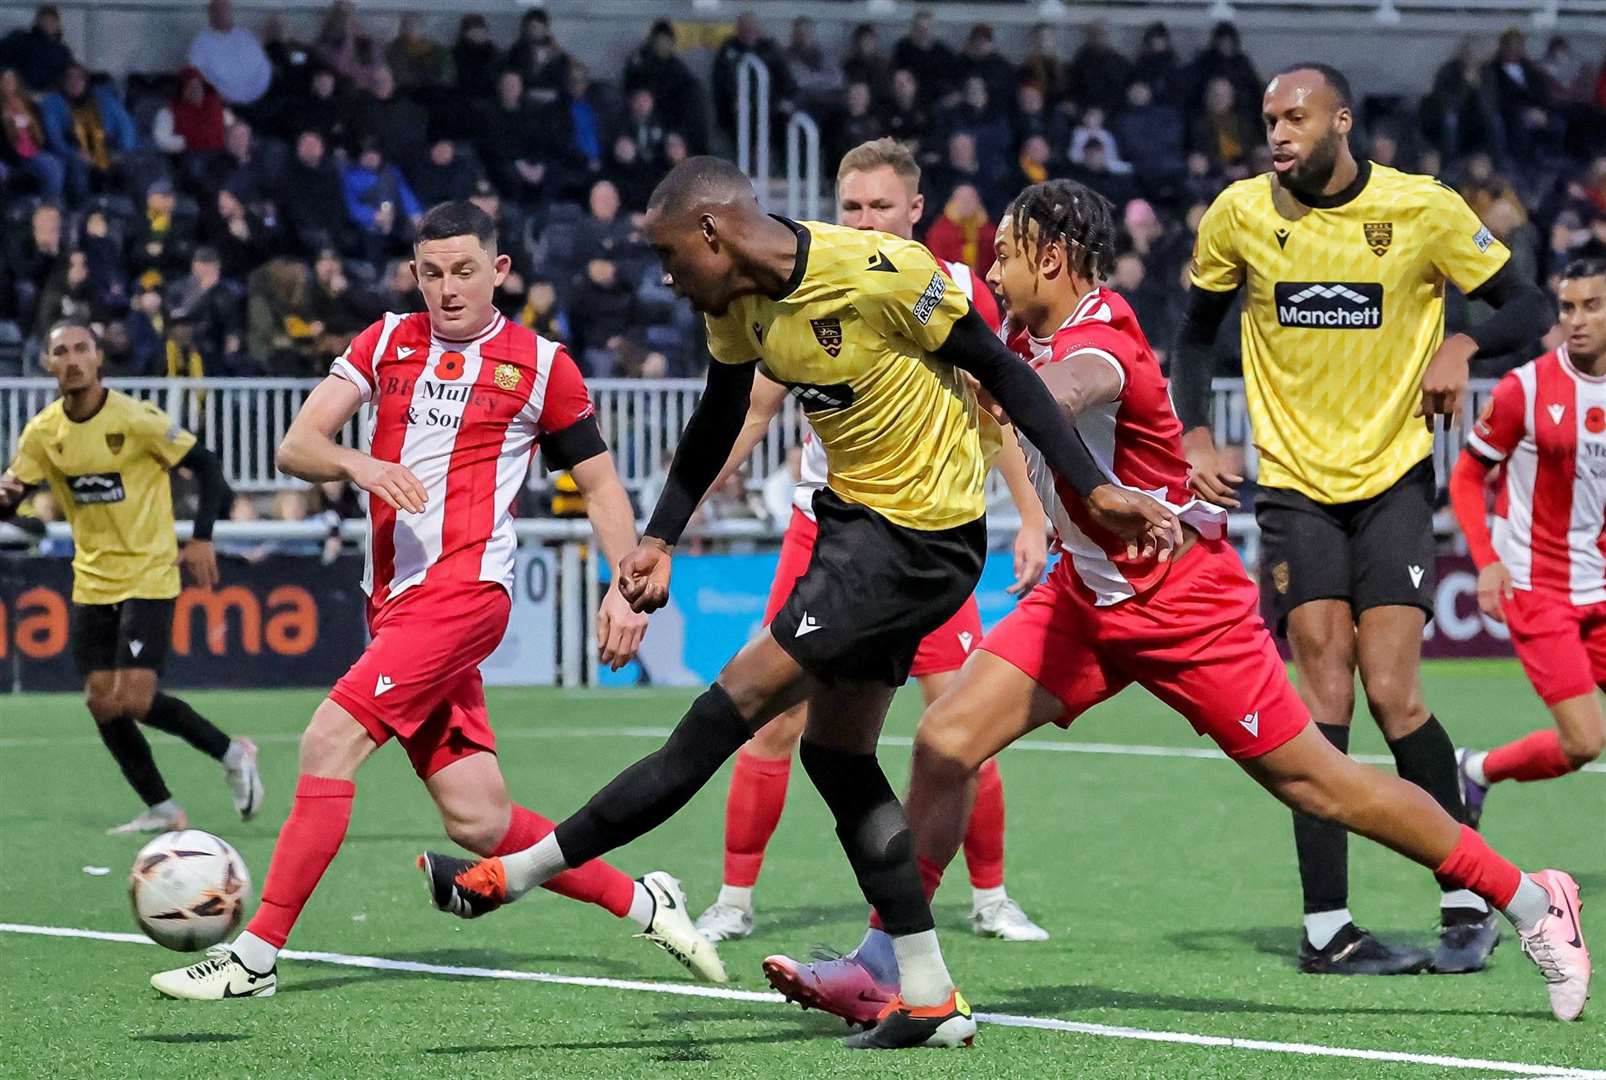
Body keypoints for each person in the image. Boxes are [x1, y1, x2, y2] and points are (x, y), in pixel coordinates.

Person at [764, 178, 1592, 1028]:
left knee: (1321, 784)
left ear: (1052, 259)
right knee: (944, 741)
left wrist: (1009, 392)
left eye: (1007, 254)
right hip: (1084, 598)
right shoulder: (1017, 327)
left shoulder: (1100, 339)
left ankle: (1531, 901)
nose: (994, 268)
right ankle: (887, 960)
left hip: (1181, 603)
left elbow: (1070, 389)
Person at [417, 156, 1181, 1051]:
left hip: (917, 543)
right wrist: (659, 536)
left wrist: (1090, 491)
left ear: (714, 233)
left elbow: (1005, 376)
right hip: (853, 530)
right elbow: (718, 412)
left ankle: (513, 875)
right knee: (836, 754)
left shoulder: (878, 273)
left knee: (722, 714)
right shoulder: (738, 304)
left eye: (671, 257)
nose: (665, 278)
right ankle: (929, 997)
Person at [147, 200, 724, 1001]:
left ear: (499, 272)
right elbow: (294, 445)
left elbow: (598, 484)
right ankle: (644, 899)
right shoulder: (385, 341)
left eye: (463, 271)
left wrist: (625, 588)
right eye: (431, 273)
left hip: (464, 594)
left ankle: (254, 957)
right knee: (479, 821)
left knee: (327, 742)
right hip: (392, 600)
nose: (447, 289)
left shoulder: (541, 364)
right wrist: (360, 465)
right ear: (413, 273)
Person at [1170, 64, 1555, 975]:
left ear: (1343, 120)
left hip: (1393, 479)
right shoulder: (1239, 215)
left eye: (1295, 117)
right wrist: (1192, 433)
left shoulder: (1422, 208)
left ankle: (1465, 897)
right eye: (1269, 119)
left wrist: (1463, 340)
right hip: (1295, 487)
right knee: (1324, 699)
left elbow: (1528, 305)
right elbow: (1192, 334)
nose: (1278, 133)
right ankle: (1325, 928)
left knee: (1395, 693)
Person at [693, 138, 1051, 948]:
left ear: (915, 210)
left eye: (880, 207)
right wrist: (700, 491)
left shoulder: (947, 290)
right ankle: (734, 899)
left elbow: (997, 409)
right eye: (851, 207)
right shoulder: (808, 282)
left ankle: (990, 897)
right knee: (774, 723)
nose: (864, 219)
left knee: (961, 724)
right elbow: (750, 409)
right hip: (827, 530)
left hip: (926, 533)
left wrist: (1031, 518)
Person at [0, 319, 260, 834]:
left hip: (149, 573)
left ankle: (232, 752)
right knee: (101, 700)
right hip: (91, 579)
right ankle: (163, 807)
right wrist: (10, 505)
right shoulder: (43, 433)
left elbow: (208, 468)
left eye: (81, 349)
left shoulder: (136, 419)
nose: (72, 360)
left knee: (135, 699)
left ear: (98, 358)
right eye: (61, 352)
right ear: (48, 364)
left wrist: (202, 537)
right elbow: (15, 494)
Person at [1450, 259, 1606, 817]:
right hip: (1538, 589)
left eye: (1593, 306)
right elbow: (1467, 476)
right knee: (1584, 742)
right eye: (1569, 307)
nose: (1578, 320)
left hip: (1600, 585)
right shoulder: (1527, 387)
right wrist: (1487, 561)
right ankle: (1477, 768)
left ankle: (1472, 769)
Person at [187, 0, 272, 107]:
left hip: (261, 97)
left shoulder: (244, 35)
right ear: (210, 15)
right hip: (225, 103)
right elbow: (195, 72)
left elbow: (261, 62)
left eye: (225, 10)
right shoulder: (201, 42)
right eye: (217, 11)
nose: (222, 14)